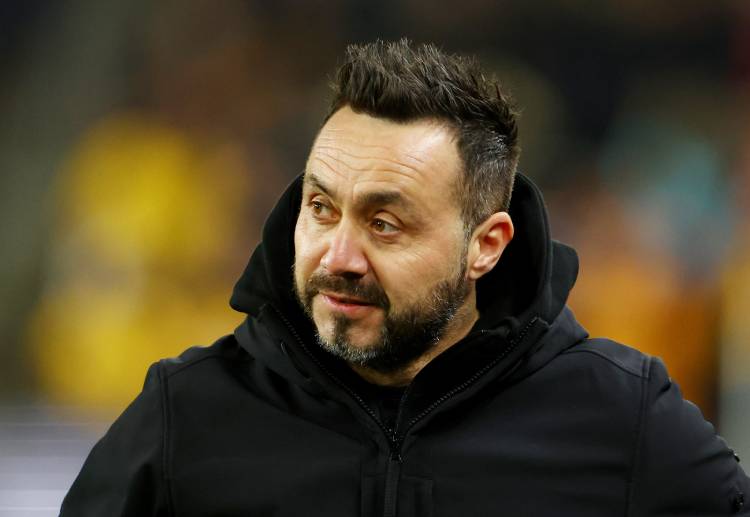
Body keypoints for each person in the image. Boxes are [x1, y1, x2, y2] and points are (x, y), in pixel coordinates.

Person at [60, 39, 749, 517]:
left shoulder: (621, 416)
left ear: (486, 246)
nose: (339, 256)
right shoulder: (185, 414)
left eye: (385, 224)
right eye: (321, 209)